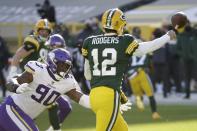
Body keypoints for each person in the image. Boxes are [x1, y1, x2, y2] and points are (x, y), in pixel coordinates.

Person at [81, 8, 176, 131]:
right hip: (109, 97)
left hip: (93, 95)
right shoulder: (124, 41)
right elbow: (148, 47)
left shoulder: (89, 42)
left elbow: (88, 75)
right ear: (119, 24)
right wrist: (167, 36)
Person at [0, 48, 90, 131]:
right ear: (52, 61)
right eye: (61, 64)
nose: (63, 68)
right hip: (11, 109)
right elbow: (11, 81)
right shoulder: (38, 70)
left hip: (25, 116)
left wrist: (97, 103)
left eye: (66, 66)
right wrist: (16, 87)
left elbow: (81, 99)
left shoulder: (67, 82)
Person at [126, 27, 160, 120]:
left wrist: (126, 72)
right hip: (142, 71)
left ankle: (139, 100)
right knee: (150, 94)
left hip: (131, 73)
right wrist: (149, 67)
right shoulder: (144, 42)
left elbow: (124, 60)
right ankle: (154, 113)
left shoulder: (127, 44)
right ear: (140, 33)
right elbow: (150, 56)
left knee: (137, 94)